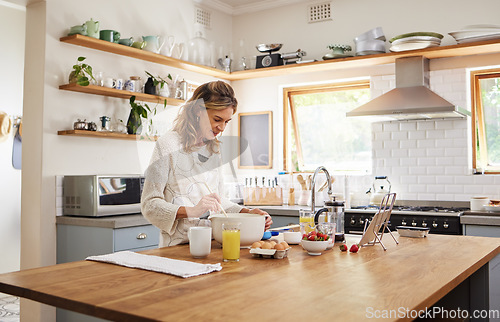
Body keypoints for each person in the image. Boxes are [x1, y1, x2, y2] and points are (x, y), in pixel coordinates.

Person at [141, 80, 273, 247]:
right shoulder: (168, 144)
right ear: (198, 110)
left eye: (227, 121)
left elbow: (219, 201)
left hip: (213, 244)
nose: (222, 128)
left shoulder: (214, 149)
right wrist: (192, 211)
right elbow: (149, 204)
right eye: (217, 119)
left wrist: (247, 212)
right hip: (178, 248)